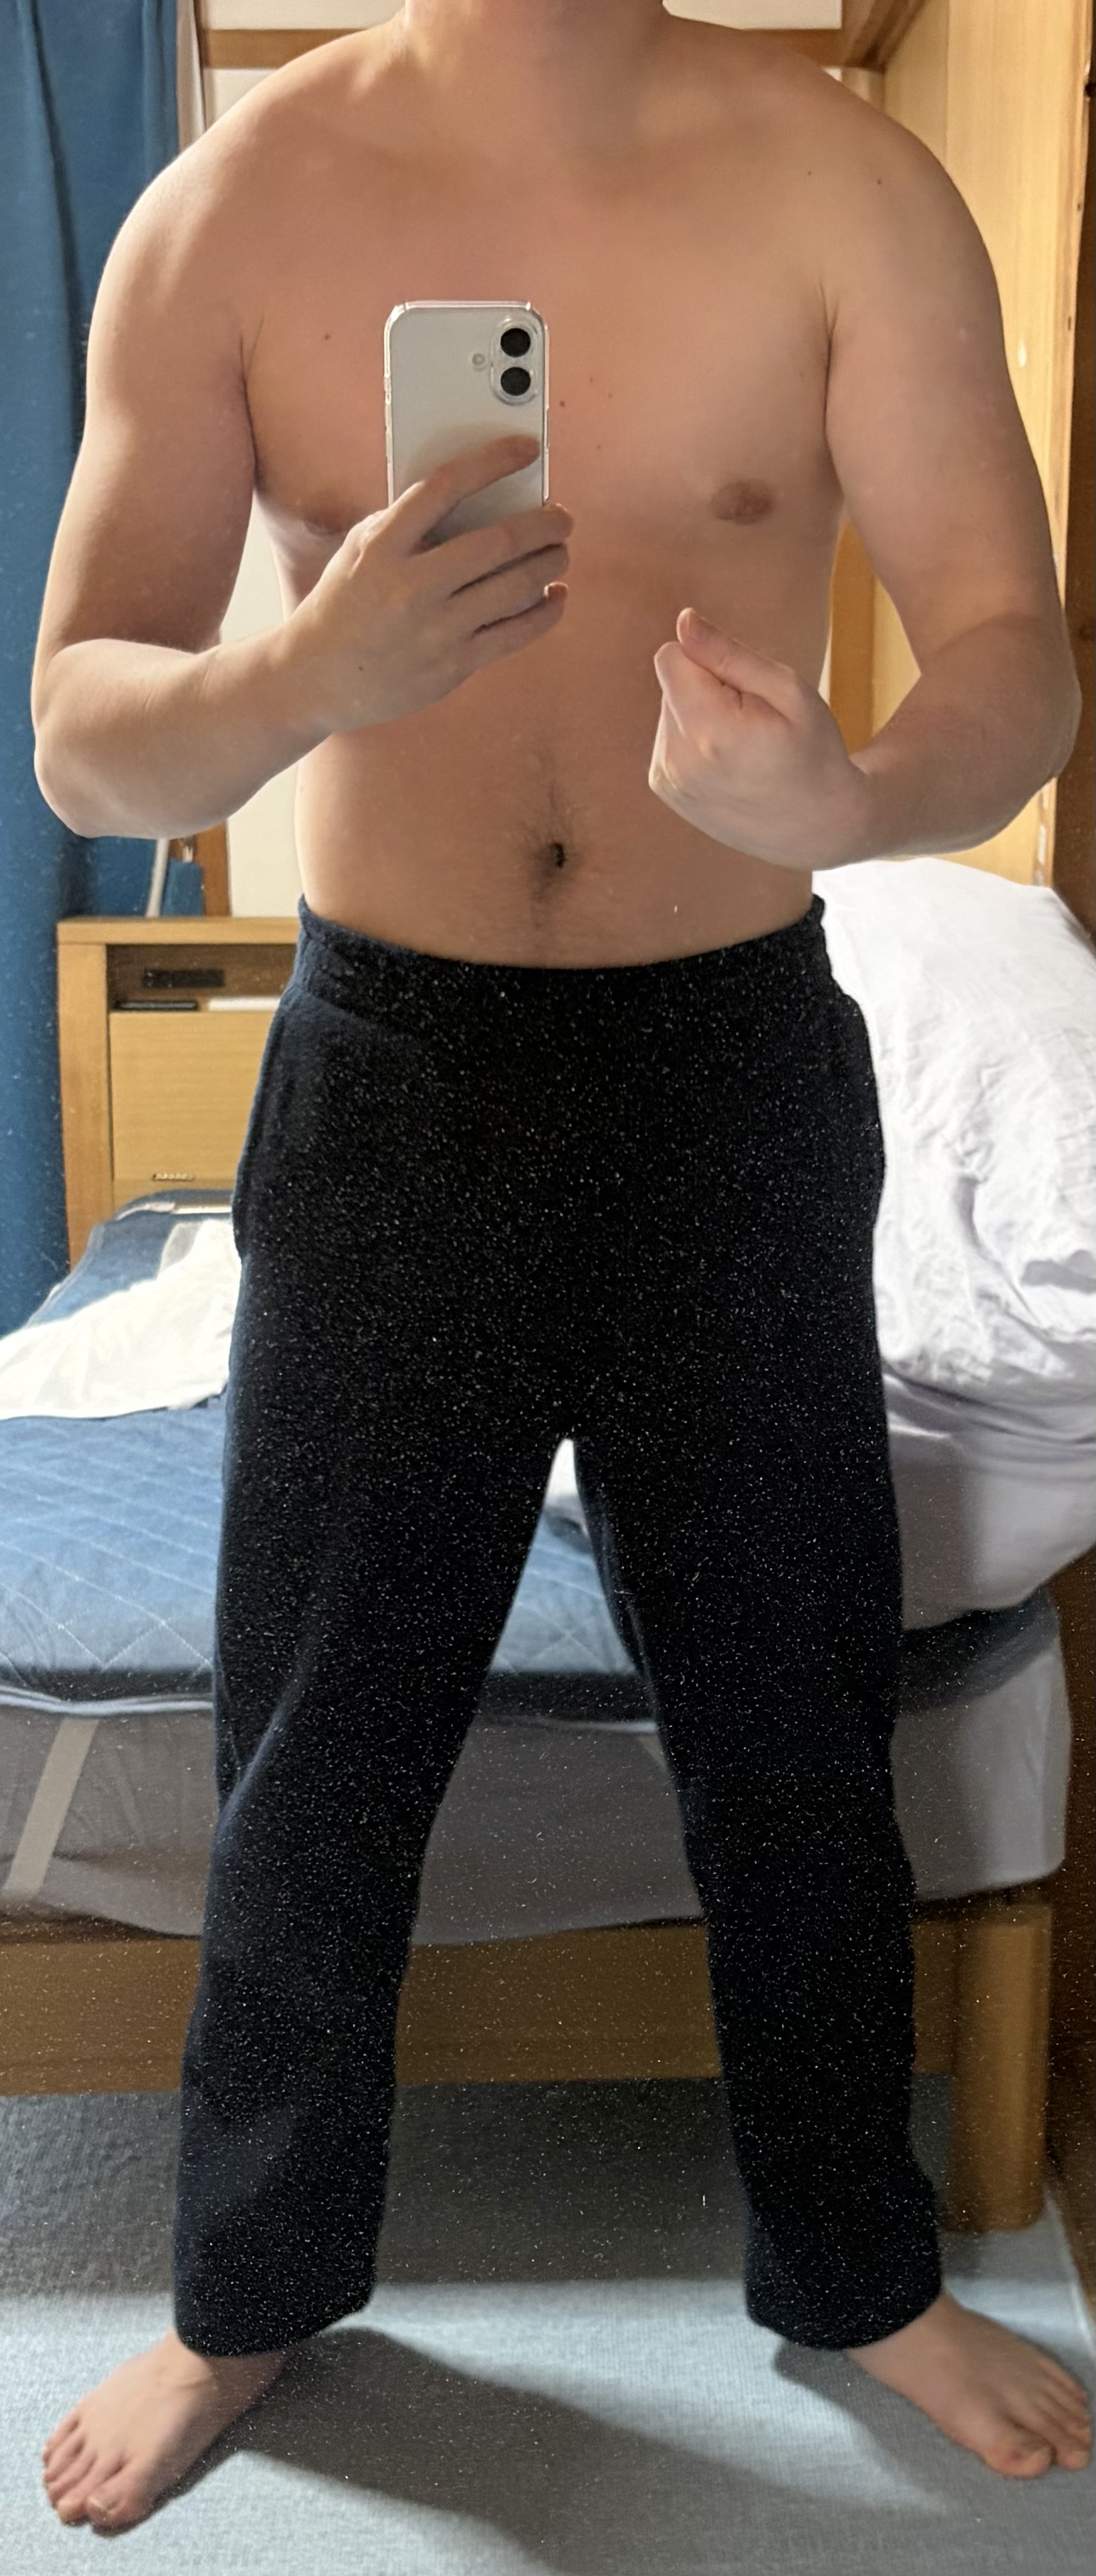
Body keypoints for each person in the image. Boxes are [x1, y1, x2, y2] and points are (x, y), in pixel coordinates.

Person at [31, 0, 1088, 2536]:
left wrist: (852, 789)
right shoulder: (231, 206)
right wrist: (300, 674)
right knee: (323, 1719)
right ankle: (251, 2283)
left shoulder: (842, 184)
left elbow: (1011, 665)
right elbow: (82, 728)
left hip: (732, 1064)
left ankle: (852, 2266)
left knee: (788, 1695)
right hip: (393, 1080)